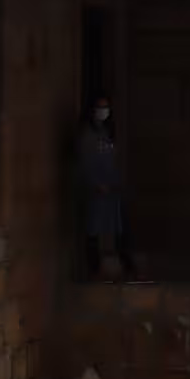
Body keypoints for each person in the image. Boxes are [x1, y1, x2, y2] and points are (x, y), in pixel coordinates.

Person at [77, 95, 133, 281]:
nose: (103, 111)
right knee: (93, 229)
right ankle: (93, 267)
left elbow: (112, 160)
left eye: (106, 107)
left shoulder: (106, 132)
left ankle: (127, 264)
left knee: (119, 227)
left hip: (111, 188)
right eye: (100, 107)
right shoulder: (87, 135)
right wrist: (95, 184)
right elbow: (85, 162)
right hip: (96, 190)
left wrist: (116, 183)